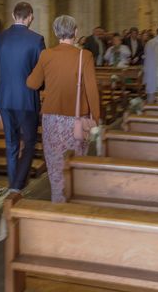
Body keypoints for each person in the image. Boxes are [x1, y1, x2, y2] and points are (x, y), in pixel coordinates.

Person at [26, 15, 100, 202]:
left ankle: (58, 202)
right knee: (75, 163)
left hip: (51, 120)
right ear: (75, 32)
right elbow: (92, 90)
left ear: (56, 33)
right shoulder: (85, 55)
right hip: (76, 120)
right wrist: (96, 120)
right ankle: (74, 201)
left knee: (55, 164)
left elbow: (32, 84)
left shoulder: (46, 55)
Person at [0, 2, 45, 193]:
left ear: (13, 15)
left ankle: (14, 183)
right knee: (29, 143)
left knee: (11, 143)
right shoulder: (36, 40)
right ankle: (16, 186)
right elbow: (41, 72)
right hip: (27, 100)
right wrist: (41, 88)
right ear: (30, 17)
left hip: (4, 99)